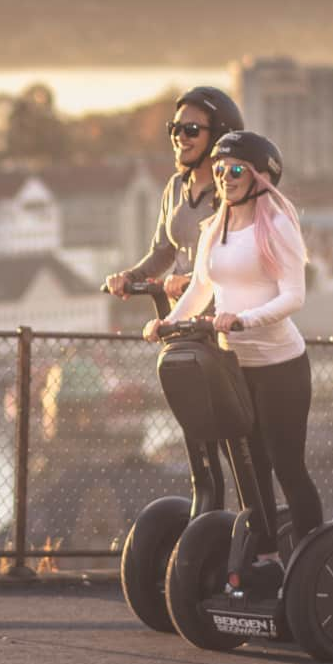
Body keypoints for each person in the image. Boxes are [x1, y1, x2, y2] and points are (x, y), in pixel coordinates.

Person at [146, 129, 323, 545]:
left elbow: (293, 297)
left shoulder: (278, 226)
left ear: (261, 176)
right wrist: (168, 324)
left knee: (287, 467)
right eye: (220, 168)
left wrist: (243, 319)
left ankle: (312, 552)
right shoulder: (215, 227)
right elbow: (199, 290)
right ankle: (262, 552)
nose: (225, 176)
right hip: (232, 368)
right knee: (249, 465)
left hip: (281, 366)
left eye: (236, 169)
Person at [105, 84, 244, 512]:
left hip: (223, 325)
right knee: (197, 433)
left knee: (234, 439)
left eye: (190, 129)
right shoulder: (173, 188)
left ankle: (253, 522)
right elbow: (164, 252)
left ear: (216, 134)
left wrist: (195, 281)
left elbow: (238, 256)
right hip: (181, 325)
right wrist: (134, 276)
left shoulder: (229, 191)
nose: (179, 137)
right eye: (174, 128)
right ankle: (209, 514)